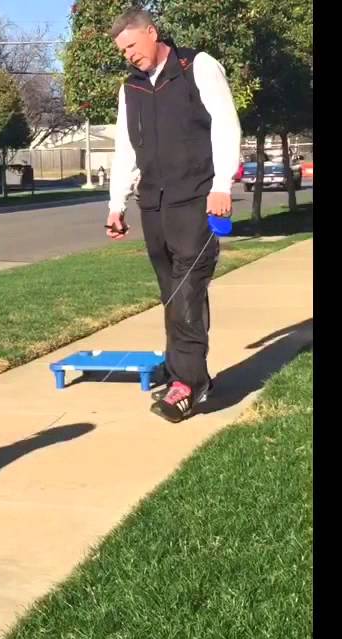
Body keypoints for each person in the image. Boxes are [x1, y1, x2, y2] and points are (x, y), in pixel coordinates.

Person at [104, 7, 242, 423]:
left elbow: (225, 124)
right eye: (121, 50)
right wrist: (116, 204)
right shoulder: (131, 88)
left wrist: (222, 185)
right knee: (173, 292)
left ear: (152, 32)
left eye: (131, 45)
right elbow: (126, 150)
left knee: (186, 289)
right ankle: (186, 368)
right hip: (153, 205)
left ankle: (188, 382)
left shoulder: (196, 67)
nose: (128, 55)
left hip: (197, 199)